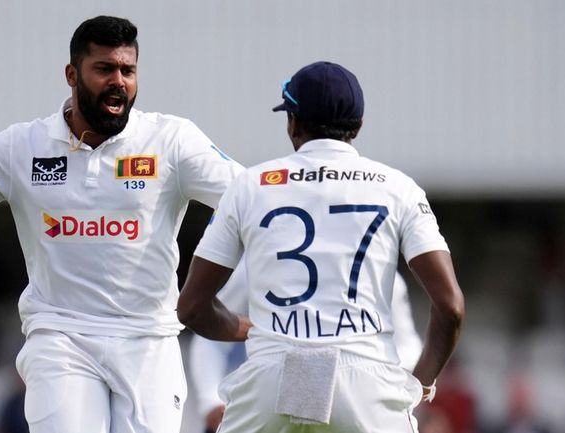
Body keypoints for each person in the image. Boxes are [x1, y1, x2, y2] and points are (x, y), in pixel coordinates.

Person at [0, 16, 243, 433]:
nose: (119, 81)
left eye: (128, 70)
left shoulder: (171, 140)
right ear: (71, 74)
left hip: (149, 338)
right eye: (104, 69)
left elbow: (250, 199)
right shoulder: (21, 145)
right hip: (60, 335)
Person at [177, 61, 465, 432]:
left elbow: (192, 307)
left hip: (271, 376)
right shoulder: (399, 188)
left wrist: (249, 329)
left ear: (293, 122)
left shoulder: (249, 185)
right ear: (358, 125)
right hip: (366, 383)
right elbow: (451, 307)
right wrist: (421, 383)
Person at [187, 266, 423, 433]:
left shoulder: (380, 269)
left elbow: (409, 344)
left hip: (352, 401)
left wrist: (380, 387)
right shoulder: (256, 261)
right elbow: (207, 332)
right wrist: (211, 401)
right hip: (263, 398)